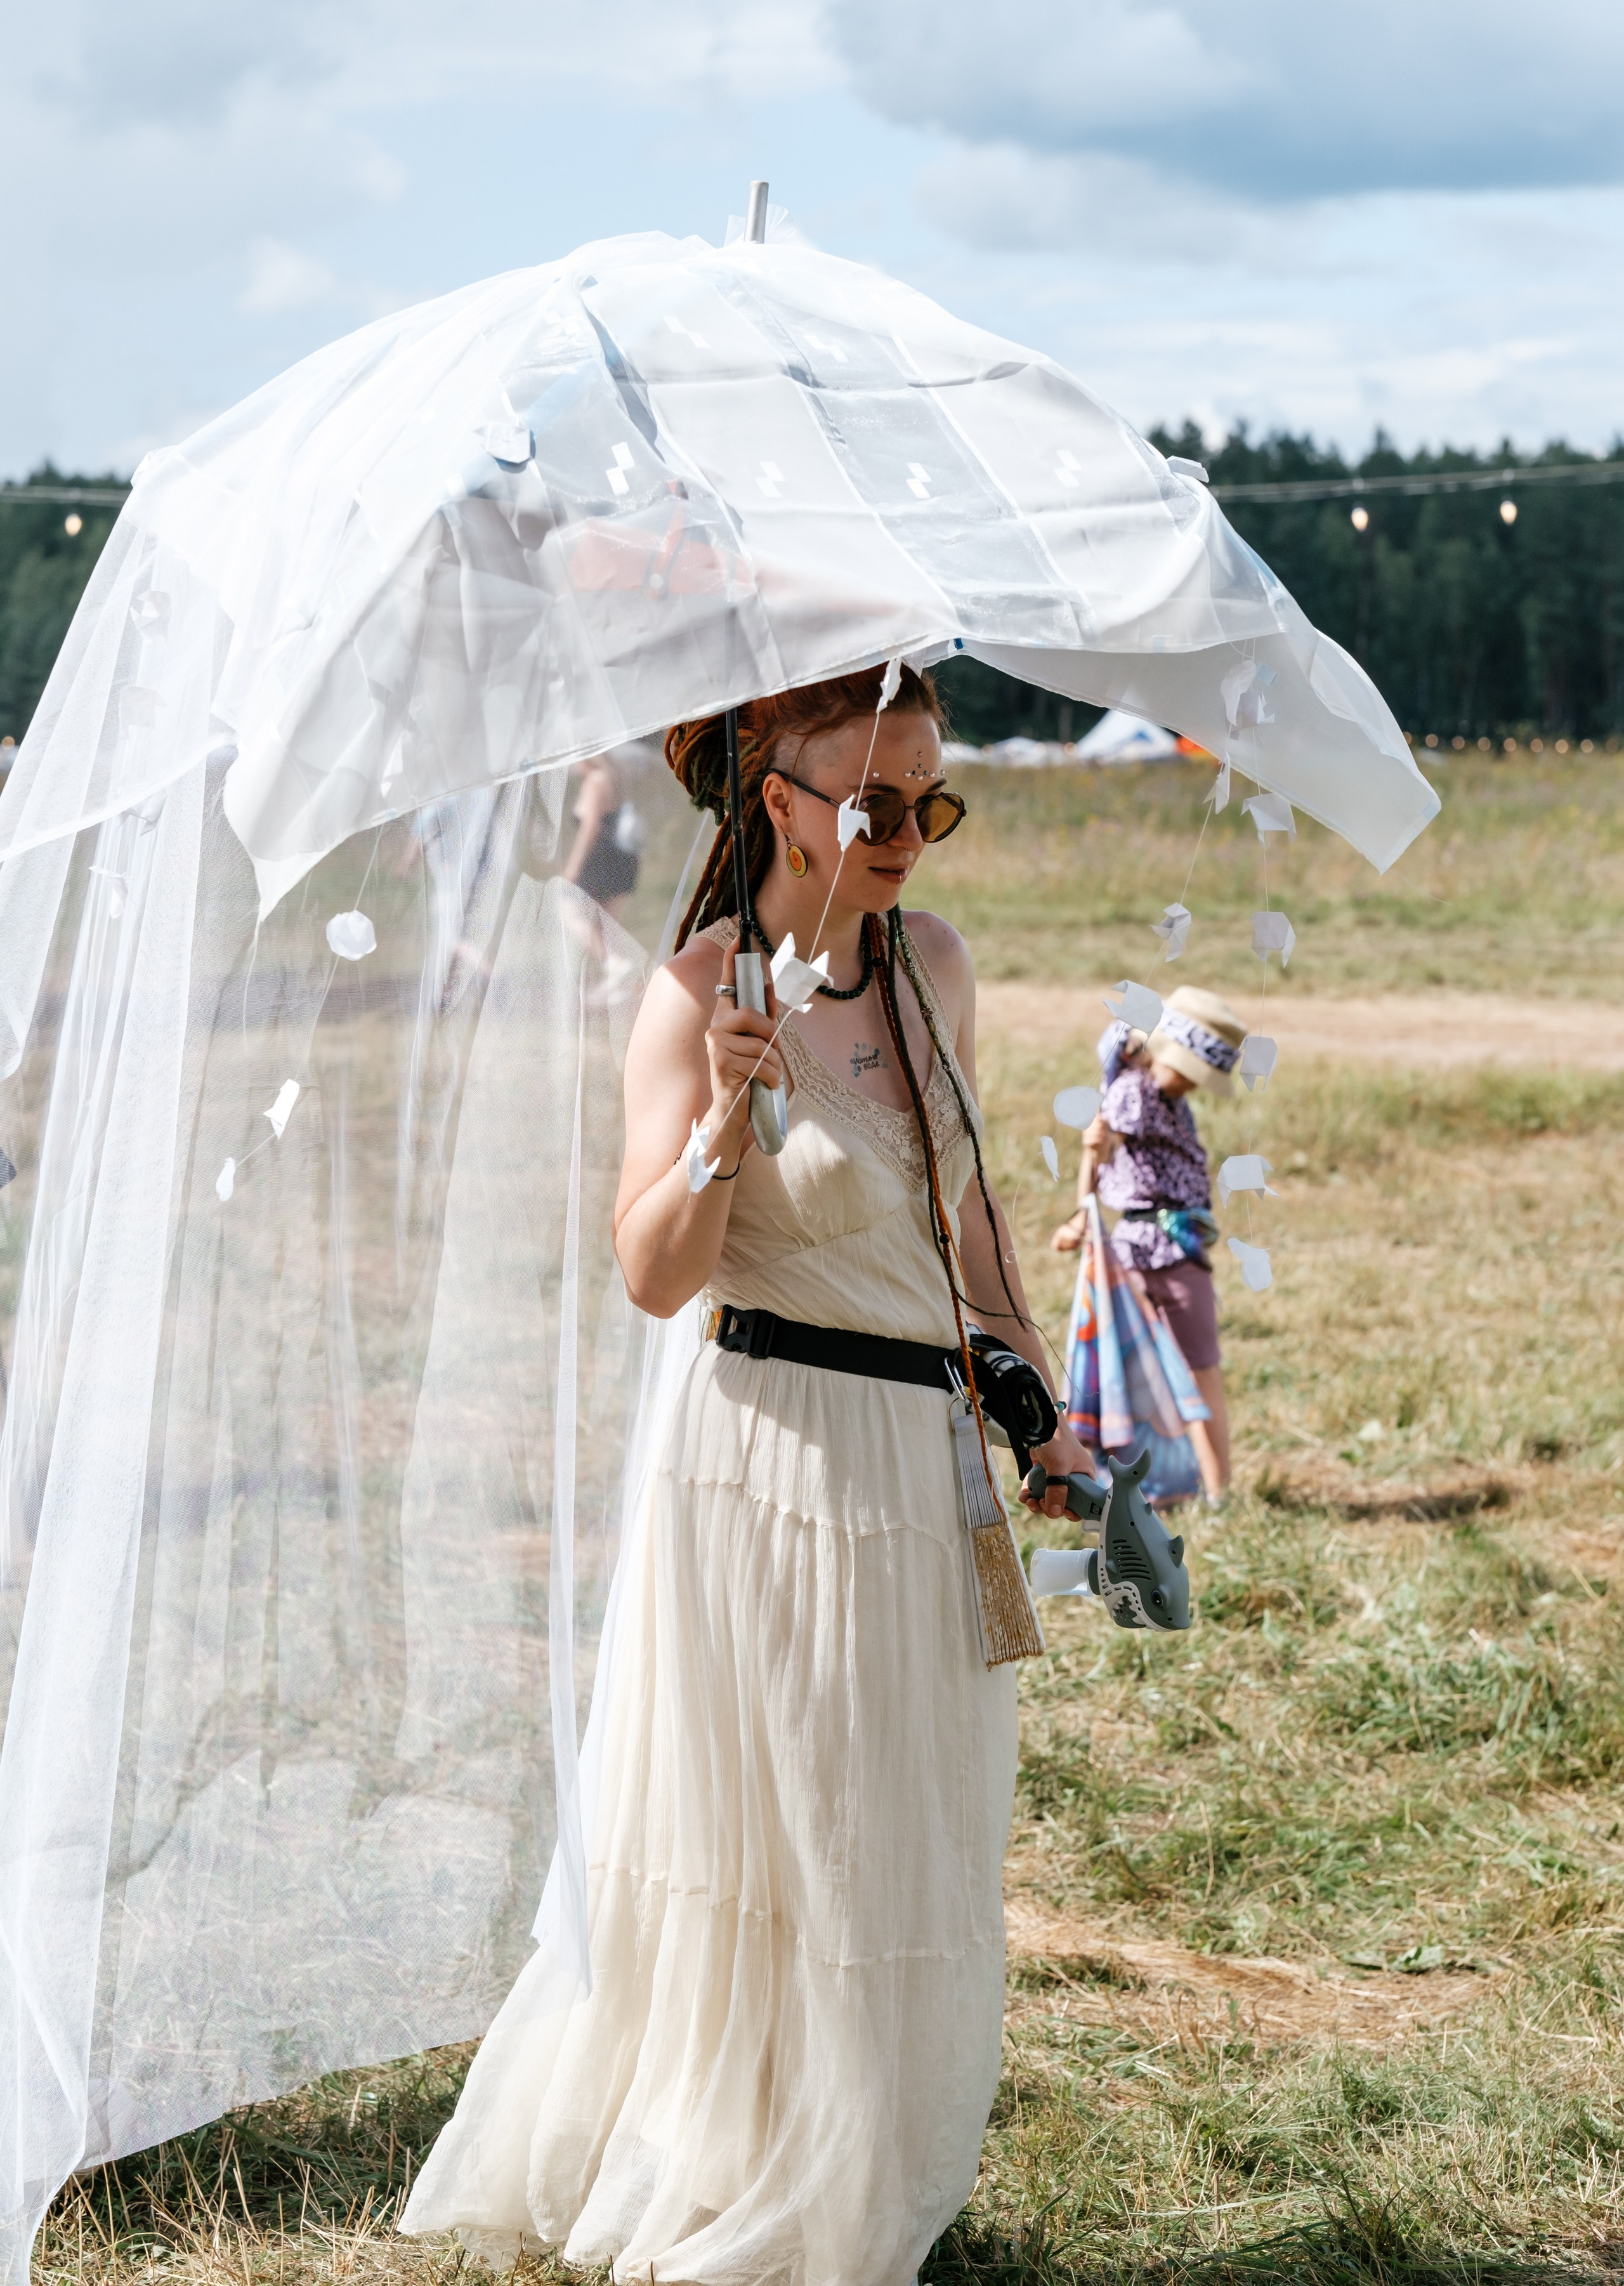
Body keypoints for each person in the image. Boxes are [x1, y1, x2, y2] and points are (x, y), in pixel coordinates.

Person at [400, 663, 1095, 2286]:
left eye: (929, 798)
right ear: (771, 796)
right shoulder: (694, 987)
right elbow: (652, 1273)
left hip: (916, 1467)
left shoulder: (930, 968)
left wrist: (1035, 1401)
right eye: (871, 800)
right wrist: (723, 1108)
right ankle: (759, 2169)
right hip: (762, 1464)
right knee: (794, 1838)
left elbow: (968, 1211)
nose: (905, 832)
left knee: (902, 1828)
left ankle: (859, 2165)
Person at [1051, 986, 1245, 1506]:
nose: (1189, 1083)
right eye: (1187, 1069)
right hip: (1133, 1246)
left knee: (1201, 1364)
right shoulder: (1133, 1089)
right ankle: (1144, 1484)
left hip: (1179, 1248)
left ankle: (1219, 1488)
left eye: (1198, 1076)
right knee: (1130, 1366)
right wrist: (1080, 1210)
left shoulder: (1173, 1101)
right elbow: (1105, 1146)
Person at [564, 751, 643, 918]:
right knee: (608, 928)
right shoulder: (615, 777)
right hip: (621, 859)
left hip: (599, 862)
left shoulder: (595, 782)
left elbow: (590, 828)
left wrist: (573, 867)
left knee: (571, 913)